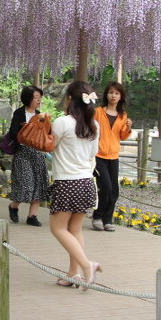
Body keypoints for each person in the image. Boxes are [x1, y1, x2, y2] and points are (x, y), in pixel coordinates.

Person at [49, 81, 101, 289]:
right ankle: (73, 274)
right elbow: (92, 154)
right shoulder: (94, 125)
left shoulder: (62, 122)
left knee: (58, 228)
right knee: (75, 229)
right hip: (86, 182)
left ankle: (87, 265)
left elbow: (50, 147)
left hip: (66, 183)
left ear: (70, 99)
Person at [91, 82, 132, 232]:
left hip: (114, 156)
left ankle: (107, 219)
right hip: (99, 155)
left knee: (114, 190)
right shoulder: (98, 112)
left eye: (116, 93)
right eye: (111, 93)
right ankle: (97, 216)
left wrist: (128, 128)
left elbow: (122, 136)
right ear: (106, 95)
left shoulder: (123, 115)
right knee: (106, 188)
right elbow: (91, 131)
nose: (113, 96)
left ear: (121, 96)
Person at [7, 85, 48, 226]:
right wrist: (25, 129)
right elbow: (12, 133)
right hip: (22, 152)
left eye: (40, 97)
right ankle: (13, 206)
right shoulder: (19, 113)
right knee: (26, 184)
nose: (39, 100)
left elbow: (44, 133)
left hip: (37, 153)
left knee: (39, 184)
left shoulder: (40, 115)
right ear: (28, 98)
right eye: (36, 97)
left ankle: (32, 216)